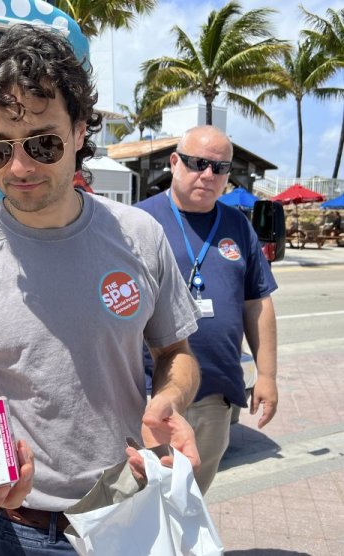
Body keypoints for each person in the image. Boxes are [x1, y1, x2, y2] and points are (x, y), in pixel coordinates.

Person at [0, 24, 202, 555]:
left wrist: (170, 400)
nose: (19, 167)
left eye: (43, 143)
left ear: (81, 129)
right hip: (21, 530)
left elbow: (175, 352)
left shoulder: (139, 236)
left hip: (135, 510)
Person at [136, 125, 279, 494]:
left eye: (220, 167)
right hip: (153, 394)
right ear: (174, 162)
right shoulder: (137, 222)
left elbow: (257, 303)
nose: (208, 175)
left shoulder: (239, 226)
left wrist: (266, 375)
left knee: (192, 501)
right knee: (145, 502)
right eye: (198, 163)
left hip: (217, 393)